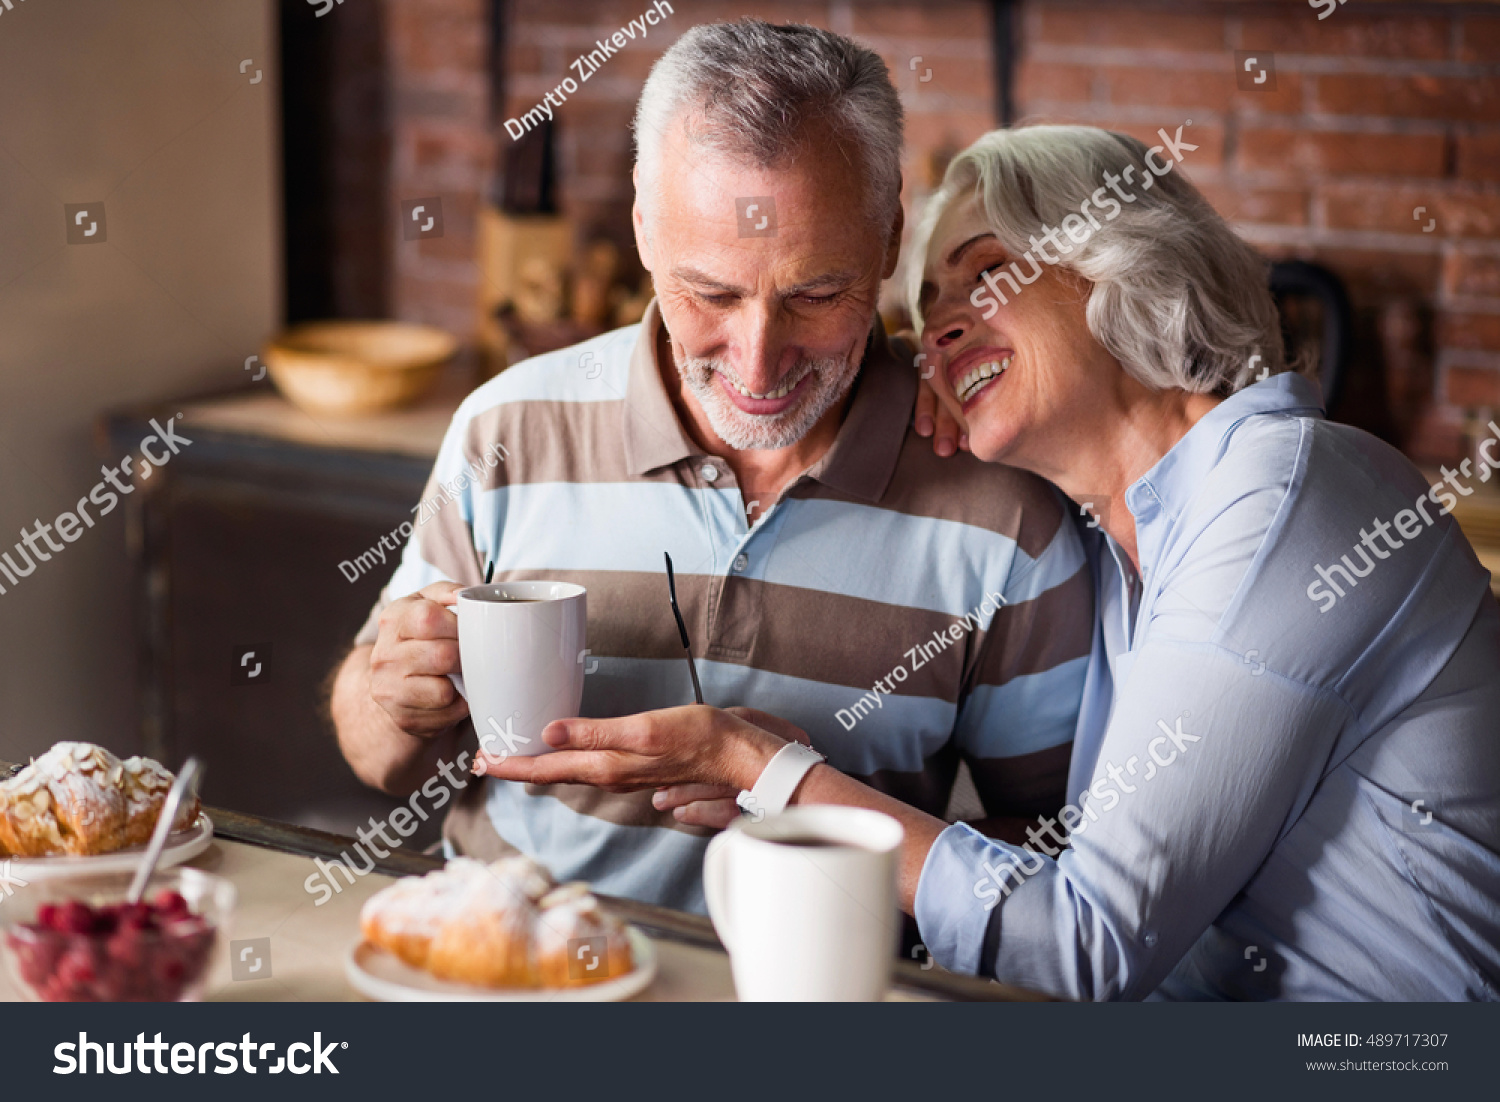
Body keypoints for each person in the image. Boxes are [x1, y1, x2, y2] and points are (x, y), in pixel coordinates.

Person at [481, 123, 1500, 1001]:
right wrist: (805, 782)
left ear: (1121, 262)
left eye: (988, 273)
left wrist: (763, 767)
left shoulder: (1287, 496)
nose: (941, 328)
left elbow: (1087, 946)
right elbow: (1081, 875)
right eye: (927, 312)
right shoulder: (1127, 545)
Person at [329, 24, 1093, 915]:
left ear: (890, 238)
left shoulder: (1004, 507)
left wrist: (804, 795)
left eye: (815, 295)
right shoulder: (507, 428)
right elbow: (379, 757)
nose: (759, 364)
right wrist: (388, 698)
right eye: (712, 293)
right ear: (644, 228)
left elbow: (1050, 871)